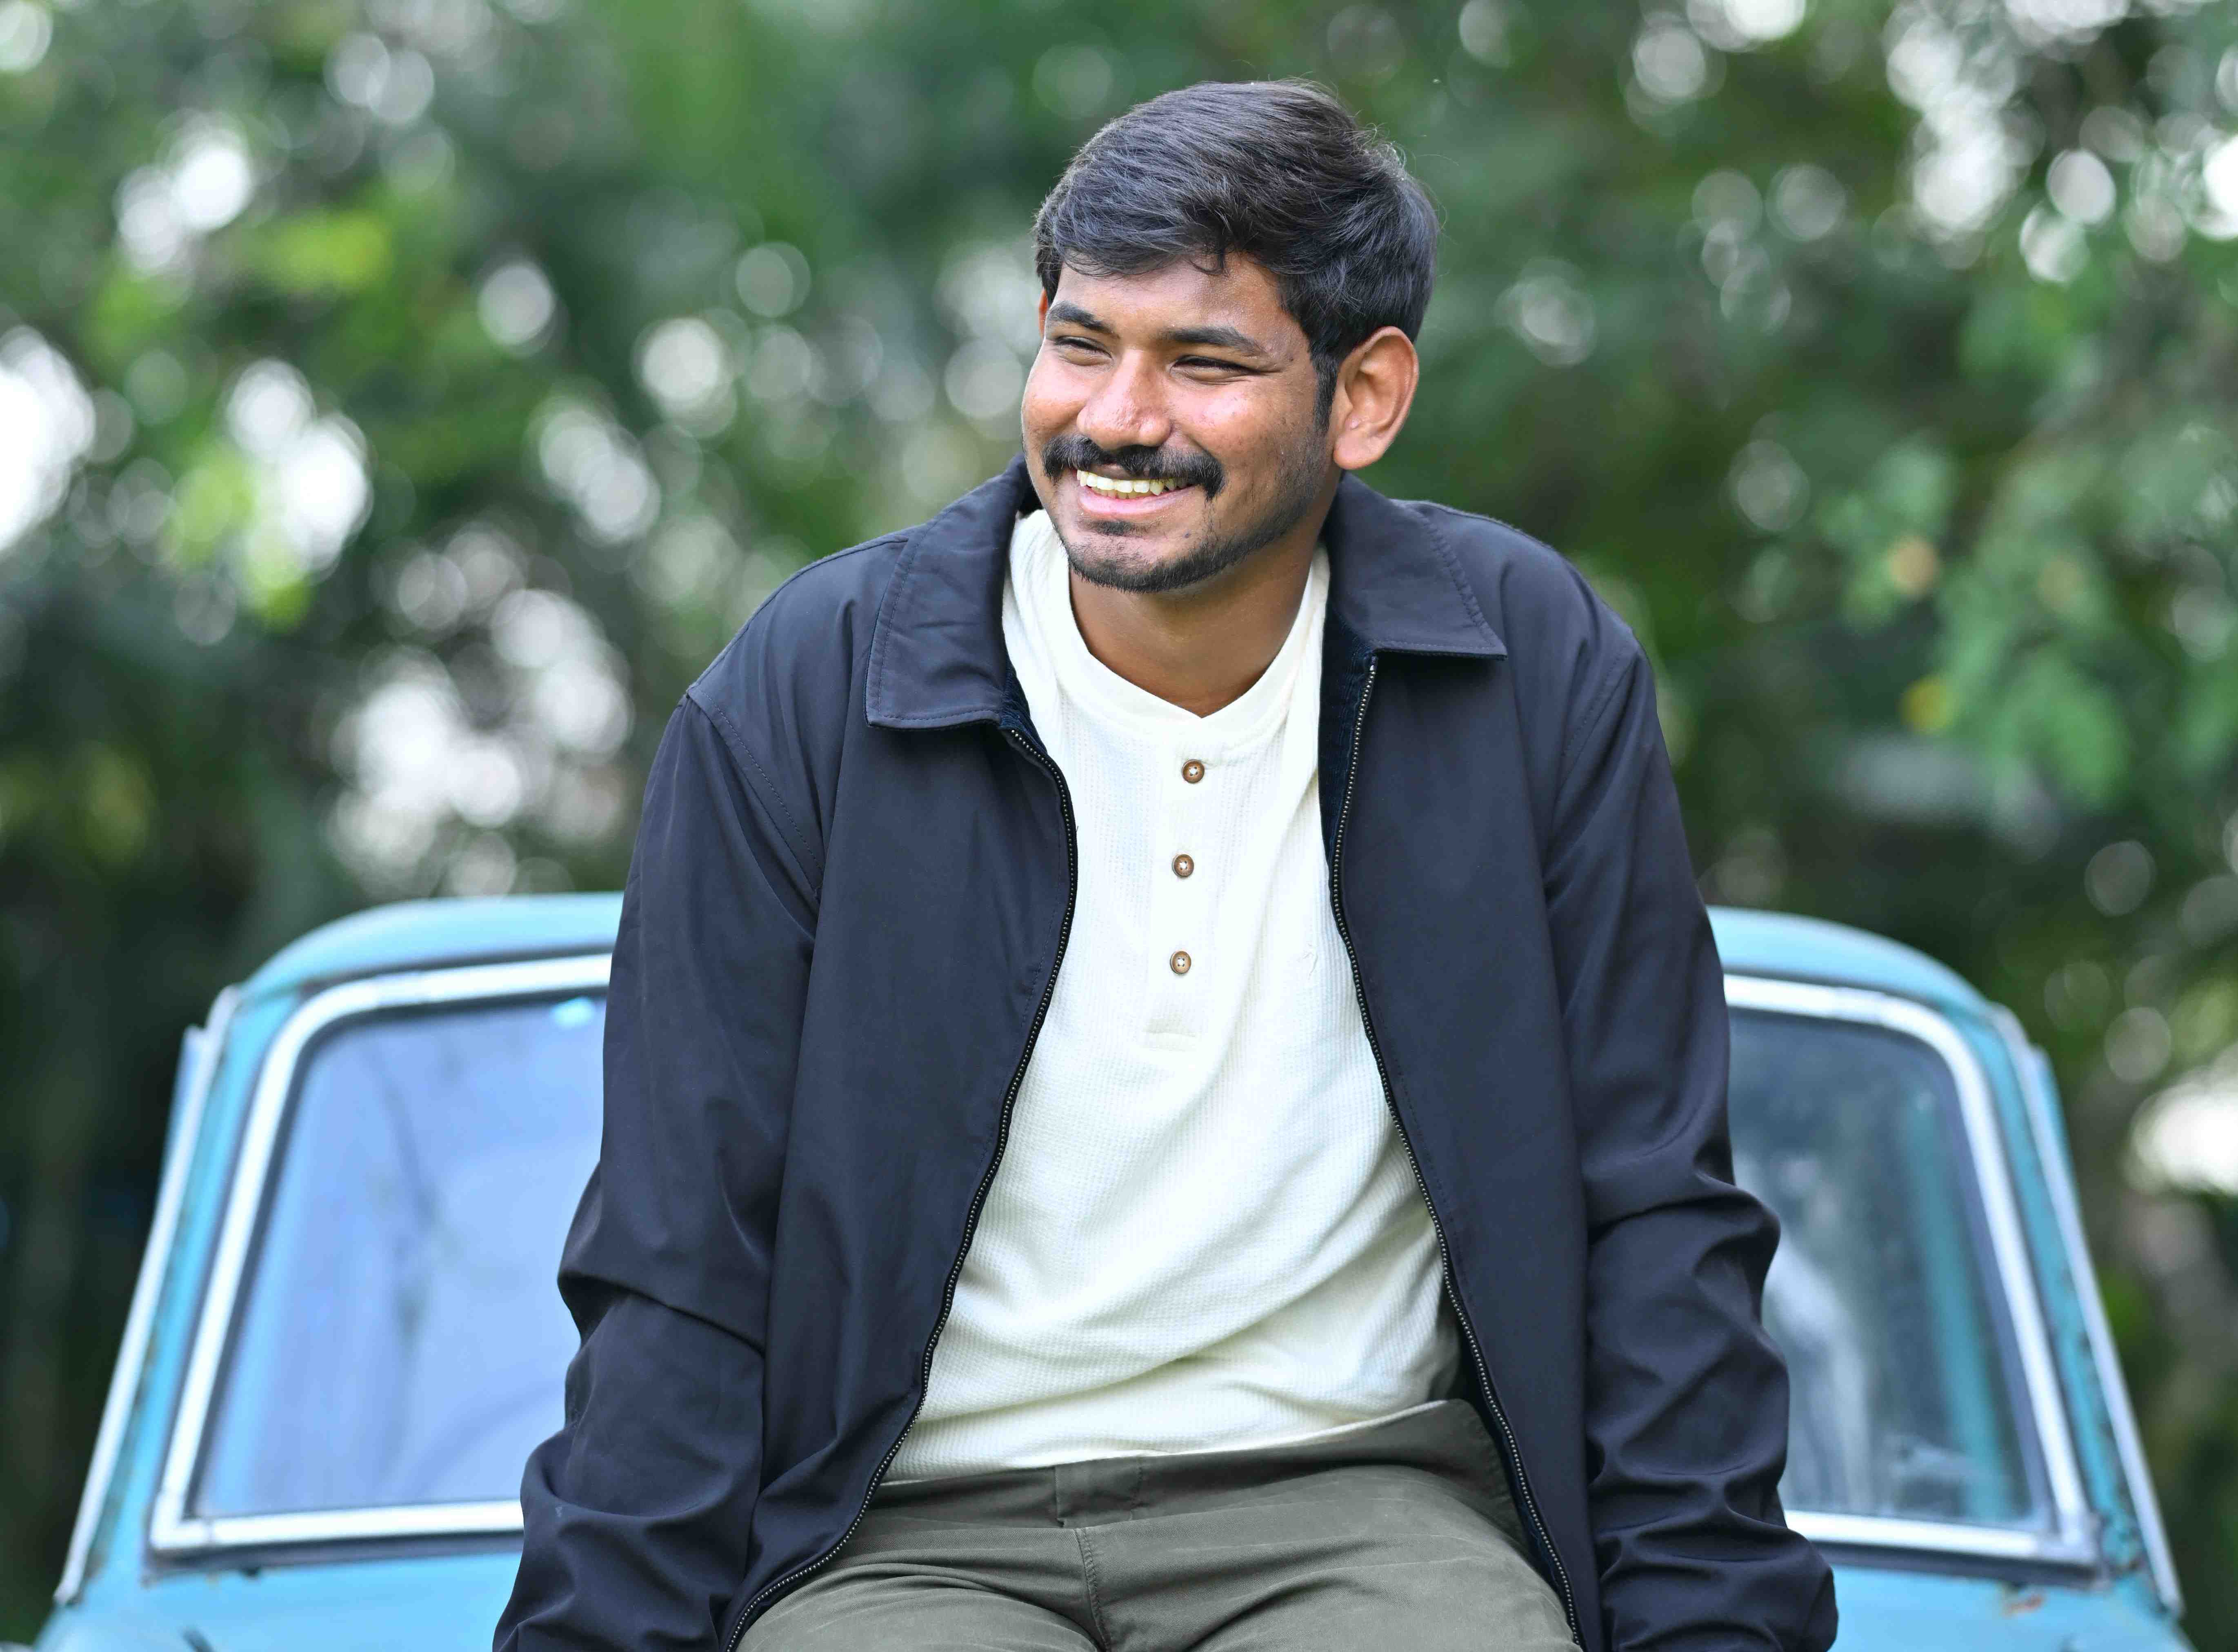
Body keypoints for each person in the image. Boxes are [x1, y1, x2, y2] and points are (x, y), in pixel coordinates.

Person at [496, 78, 1836, 1652]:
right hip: (902, 1537)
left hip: (1365, 1506)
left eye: (1203, 361)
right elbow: (680, 1252)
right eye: (1079, 344)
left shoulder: (1525, 668)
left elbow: (1654, 1214)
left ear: (1365, 398)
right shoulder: (814, 686)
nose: (1116, 419)